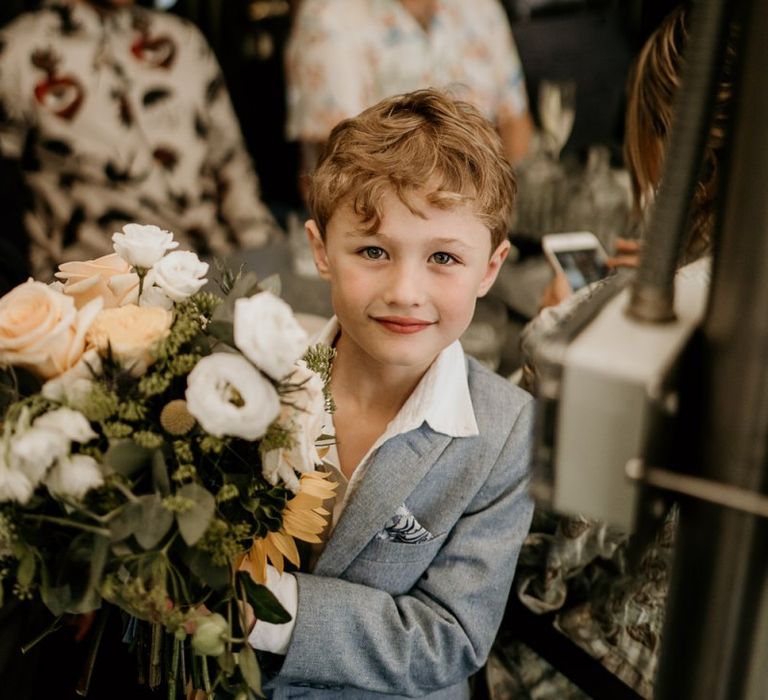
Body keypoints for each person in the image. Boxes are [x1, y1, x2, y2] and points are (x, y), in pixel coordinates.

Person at [235, 89, 534, 698]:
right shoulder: (256, 374)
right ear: (321, 251)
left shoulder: (506, 434)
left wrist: (269, 610)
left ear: (490, 269)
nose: (404, 290)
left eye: (444, 257)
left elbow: (450, 636)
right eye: (373, 251)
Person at [489, 5, 732, 699]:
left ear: (679, 149)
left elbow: (530, 529)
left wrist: (553, 339)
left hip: (586, 665)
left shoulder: (619, 329)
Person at [0, 0, 280, 278]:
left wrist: (265, 254)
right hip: (105, 287)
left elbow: (229, 160)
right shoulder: (16, 52)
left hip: (217, 269)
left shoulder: (182, 38)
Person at [285, 0, 534, 181]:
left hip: (483, 211)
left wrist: (496, 207)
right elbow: (343, 160)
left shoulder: (481, 8)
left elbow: (515, 122)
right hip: (380, 220)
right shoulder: (328, 15)